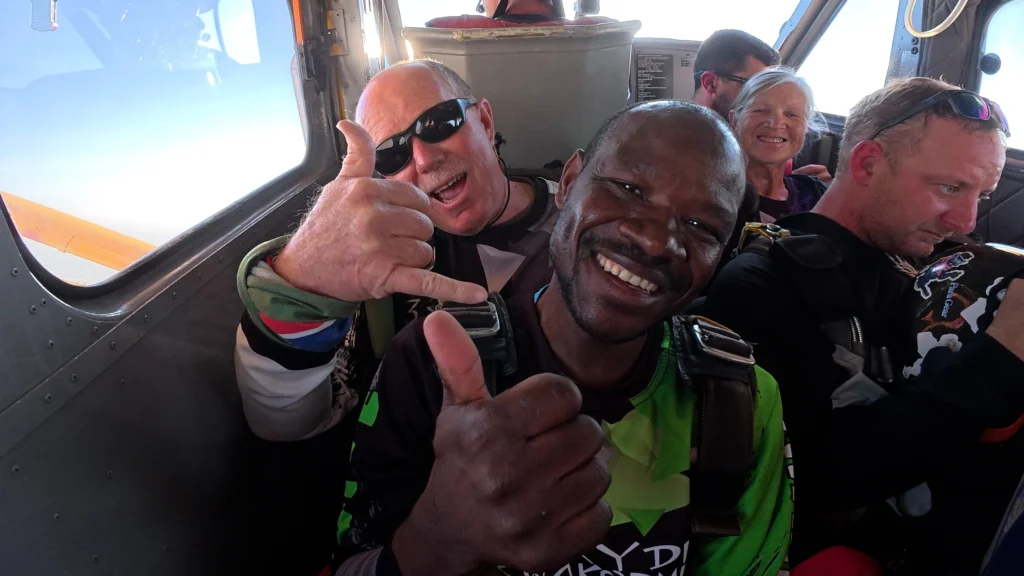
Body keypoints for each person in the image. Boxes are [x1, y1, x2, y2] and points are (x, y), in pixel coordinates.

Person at [330, 101, 794, 576]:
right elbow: (353, 563)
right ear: (570, 181)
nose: (657, 241)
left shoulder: (737, 398)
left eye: (702, 227)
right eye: (630, 189)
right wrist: (440, 535)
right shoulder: (433, 363)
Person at [234, 59, 562, 573]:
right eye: (391, 153)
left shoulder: (585, 224)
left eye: (438, 123)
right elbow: (287, 423)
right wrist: (300, 288)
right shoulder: (377, 271)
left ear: (484, 120)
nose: (424, 158)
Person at [699, 77, 1024, 573]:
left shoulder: (917, 262)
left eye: (982, 195)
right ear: (868, 163)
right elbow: (816, 475)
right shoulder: (763, 286)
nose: (966, 221)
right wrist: (1002, 356)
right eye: (949, 188)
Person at [693, 30, 832, 184]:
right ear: (711, 83)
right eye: (756, 84)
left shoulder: (774, 142)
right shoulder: (683, 151)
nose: (776, 123)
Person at [730, 67, 830, 221]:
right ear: (735, 121)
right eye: (760, 110)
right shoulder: (714, 197)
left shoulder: (815, 194)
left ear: (806, 128)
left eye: (792, 114)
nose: (776, 124)